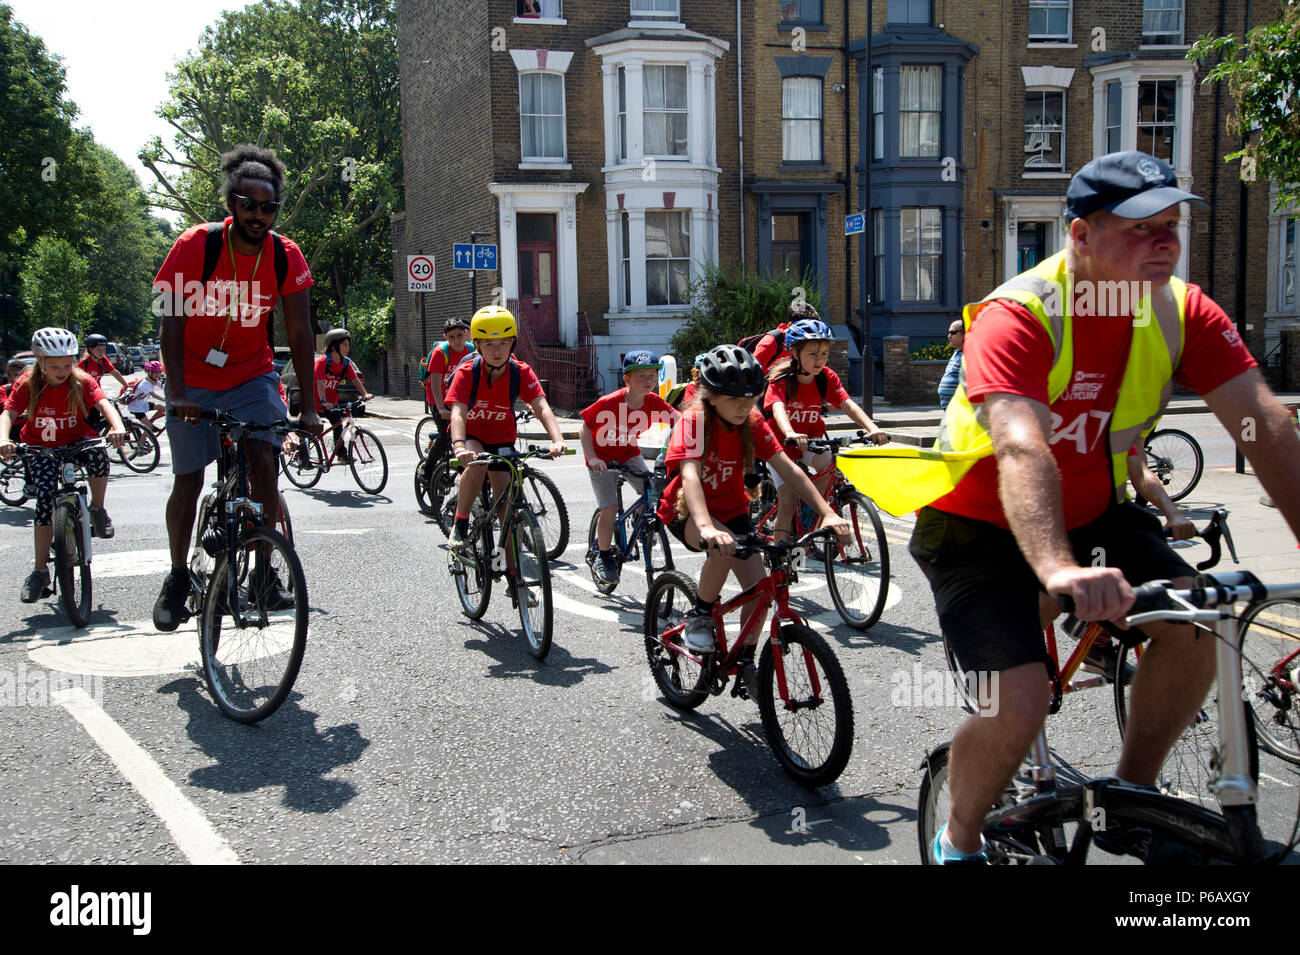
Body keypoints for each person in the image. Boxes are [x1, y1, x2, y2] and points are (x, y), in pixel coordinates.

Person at [895, 151, 1300, 864]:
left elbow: (1261, 424)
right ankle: (957, 837)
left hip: (1095, 514)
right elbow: (1021, 446)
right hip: (976, 528)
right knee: (1017, 703)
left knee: (1200, 626)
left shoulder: (1182, 311)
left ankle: (1132, 796)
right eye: (1142, 228)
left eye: (1173, 225)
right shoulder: (1019, 314)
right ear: (1079, 237)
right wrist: (1057, 569)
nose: (1166, 242)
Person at [151, 143, 322, 632]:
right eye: (248, 204)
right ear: (232, 204)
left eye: (268, 206)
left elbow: (300, 335)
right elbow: (172, 325)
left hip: (251, 375)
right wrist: (177, 393)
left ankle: (265, 566)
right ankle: (179, 575)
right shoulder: (195, 246)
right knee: (190, 478)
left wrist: (309, 409)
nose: (258, 214)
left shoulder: (286, 255)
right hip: (194, 380)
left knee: (265, 456)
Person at [655, 344, 851, 698]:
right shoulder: (695, 419)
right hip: (687, 510)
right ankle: (700, 614)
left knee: (759, 588)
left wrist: (827, 512)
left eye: (750, 398)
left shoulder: (752, 421)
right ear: (712, 397)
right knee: (723, 548)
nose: (744, 406)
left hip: (733, 509)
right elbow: (690, 478)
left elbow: (789, 469)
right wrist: (707, 527)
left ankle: (745, 659)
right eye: (734, 400)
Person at [0, 328, 126, 601]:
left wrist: (117, 426)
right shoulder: (27, 383)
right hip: (40, 448)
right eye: (55, 366)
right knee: (45, 498)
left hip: (76, 442)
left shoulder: (80, 380)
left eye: (67, 364)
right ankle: (39, 570)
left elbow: (104, 404)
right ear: (39, 361)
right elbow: (8, 413)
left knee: (98, 455)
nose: (62, 370)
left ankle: (98, 509)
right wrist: (2, 438)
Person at [446, 305, 565, 554]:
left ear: (512, 343)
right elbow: (457, 412)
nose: (497, 350)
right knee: (477, 462)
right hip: (472, 435)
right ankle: (461, 520)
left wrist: (557, 440)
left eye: (503, 343)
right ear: (477, 346)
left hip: (502, 438)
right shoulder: (468, 372)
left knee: (507, 514)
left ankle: (515, 582)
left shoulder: (519, 372)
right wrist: (458, 446)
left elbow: (541, 407)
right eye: (489, 344)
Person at [763, 318, 889, 541]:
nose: (819, 360)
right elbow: (778, 407)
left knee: (829, 468)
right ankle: (779, 560)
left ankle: (811, 516)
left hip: (811, 439)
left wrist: (871, 427)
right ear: (795, 353)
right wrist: (790, 433)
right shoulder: (781, 379)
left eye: (823, 354)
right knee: (788, 499)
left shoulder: (826, 377)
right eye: (812, 354)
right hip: (780, 445)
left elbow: (847, 403)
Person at [580, 350, 680, 584]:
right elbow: (584, 427)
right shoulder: (610, 402)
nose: (648, 382)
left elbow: (679, 421)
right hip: (602, 459)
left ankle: (640, 520)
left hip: (628, 454)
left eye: (652, 376)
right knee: (610, 508)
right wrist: (593, 458)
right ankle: (603, 556)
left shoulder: (654, 402)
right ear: (626, 379)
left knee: (650, 492)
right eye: (641, 377)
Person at [314, 327, 373, 461]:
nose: (347, 348)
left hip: (331, 401)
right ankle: (303, 456)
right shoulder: (322, 362)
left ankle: (341, 454)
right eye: (344, 345)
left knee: (338, 425)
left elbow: (355, 379)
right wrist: (323, 400)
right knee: (310, 428)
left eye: (348, 345)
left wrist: (365, 394)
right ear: (334, 346)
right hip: (314, 401)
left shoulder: (345, 363)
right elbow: (319, 383)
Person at [422, 317, 475, 460]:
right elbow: (435, 383)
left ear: (466, 333)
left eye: (459, 336)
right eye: (451, 337)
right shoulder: (440, 353)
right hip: (439, 399)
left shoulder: (471, 350)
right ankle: (426, 471)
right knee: (446, 437)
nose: (456, 341)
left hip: (459, 398)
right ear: (446, 337)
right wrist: (441, 408)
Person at [126, 361, 166, 431]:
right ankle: (142, 441)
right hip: (136, 407)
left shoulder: (155, 381)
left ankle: (150, 423)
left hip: (143, 403)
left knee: (163, 409)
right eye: (155, 372)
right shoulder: (145, 383)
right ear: (149, 373)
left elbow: (165, 388)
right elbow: (154, 395)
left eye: (160, 372)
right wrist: (167, 400)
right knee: (148, 428)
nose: (158, 374)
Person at [937, 320, 964, 408]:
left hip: (961, 407)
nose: (949, 336)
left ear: (964, 333)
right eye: (949, 333)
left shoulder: (970, 354)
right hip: (950, 408)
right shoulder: (956, 353)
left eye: (953, 332)